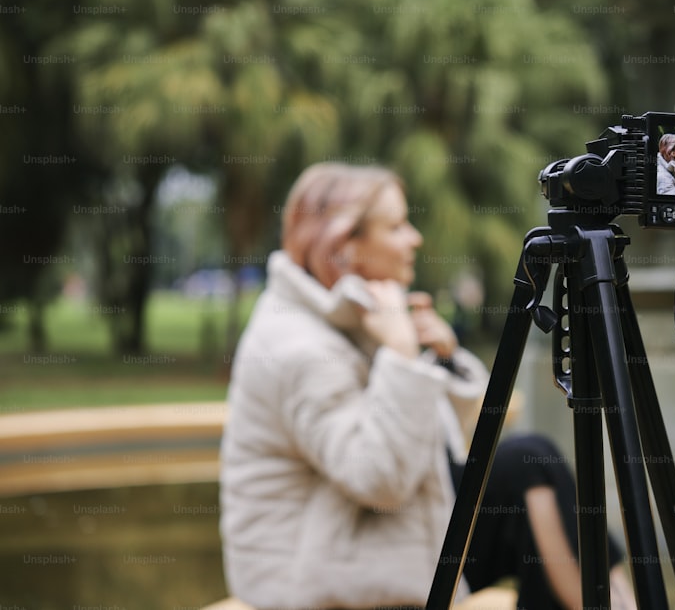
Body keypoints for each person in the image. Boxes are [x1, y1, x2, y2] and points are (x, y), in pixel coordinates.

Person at [219, 163, 636, 610]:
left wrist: (437, 355)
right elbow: (381, 481)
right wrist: (400, 354)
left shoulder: (349, 313)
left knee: (529, 467)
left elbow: (442, 444)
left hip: (363, 534)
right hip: (313, 567)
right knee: (528, 469)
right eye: (396, 226)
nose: (414, 238)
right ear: (343, 249)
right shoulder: (297, 345)